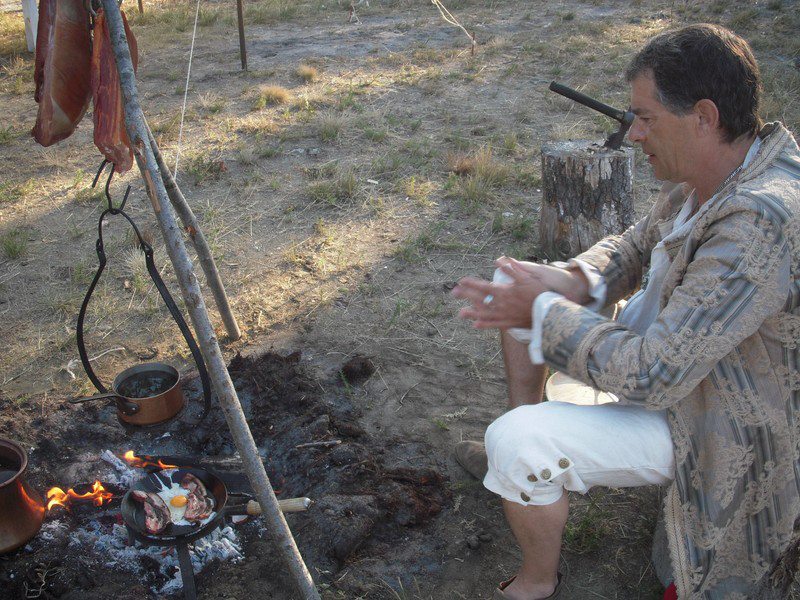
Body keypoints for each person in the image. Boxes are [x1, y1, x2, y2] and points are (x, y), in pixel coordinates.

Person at [452, 23, 800, 600]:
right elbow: (635, 245)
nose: (634, 133)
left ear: (704, 116)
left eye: (645, 117)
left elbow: (653, 372)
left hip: (708, 418)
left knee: (517, 437)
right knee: (514, 285)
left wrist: (544, 310)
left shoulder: (762, 220)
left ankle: (536, 576)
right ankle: (531, 471)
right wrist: (572, 278)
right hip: (678, 369)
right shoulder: (721, 171)